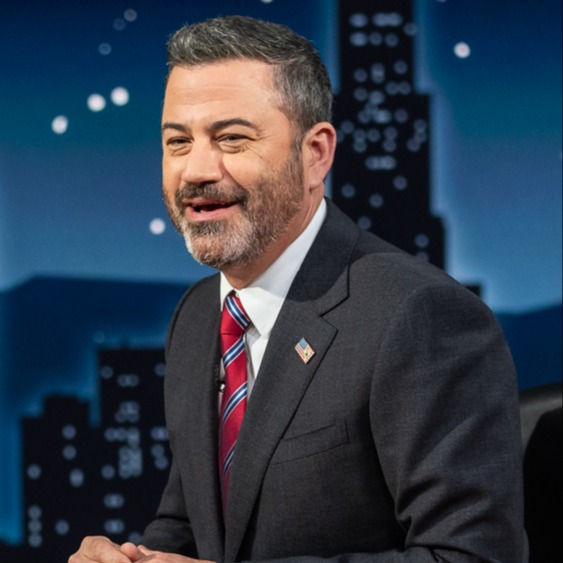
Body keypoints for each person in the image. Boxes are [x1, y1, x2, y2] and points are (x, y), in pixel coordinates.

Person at [69, 15, 527, 563]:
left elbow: (472, 556)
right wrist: (132, 559)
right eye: (178, 142)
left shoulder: (422, 315)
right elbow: (192, 524)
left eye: (232, 138)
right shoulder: (196, 316)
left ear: (315, 154)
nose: (196, 170)